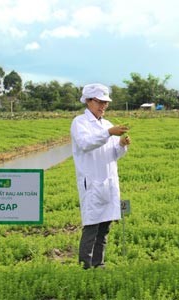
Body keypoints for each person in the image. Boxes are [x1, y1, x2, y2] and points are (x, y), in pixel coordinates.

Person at [70, 83, 131, 269]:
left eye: (106, 102)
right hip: (92, 183)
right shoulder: (79, 122)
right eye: (99, 101)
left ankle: (99, 263)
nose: (103, 106)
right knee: (91, 227)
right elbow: (85, 143)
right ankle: (85, 266)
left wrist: (121, 145)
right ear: (88, 101)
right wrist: (108, 133)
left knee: (105, 226)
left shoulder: (107, 124)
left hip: (108, 182)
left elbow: (114, 155)